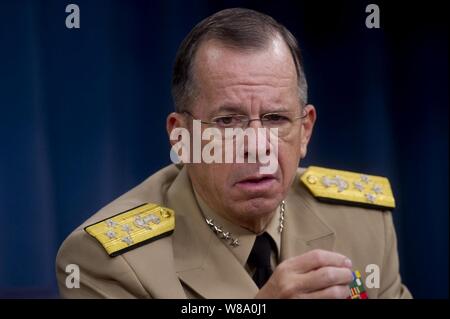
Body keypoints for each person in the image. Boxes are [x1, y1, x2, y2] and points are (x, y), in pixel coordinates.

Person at [56, 8, 412, 299]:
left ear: (305, 131)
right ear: (181, 138)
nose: (258, 147)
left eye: (275, 118)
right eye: (227, 121)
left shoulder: (363, 223)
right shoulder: (107, 260)